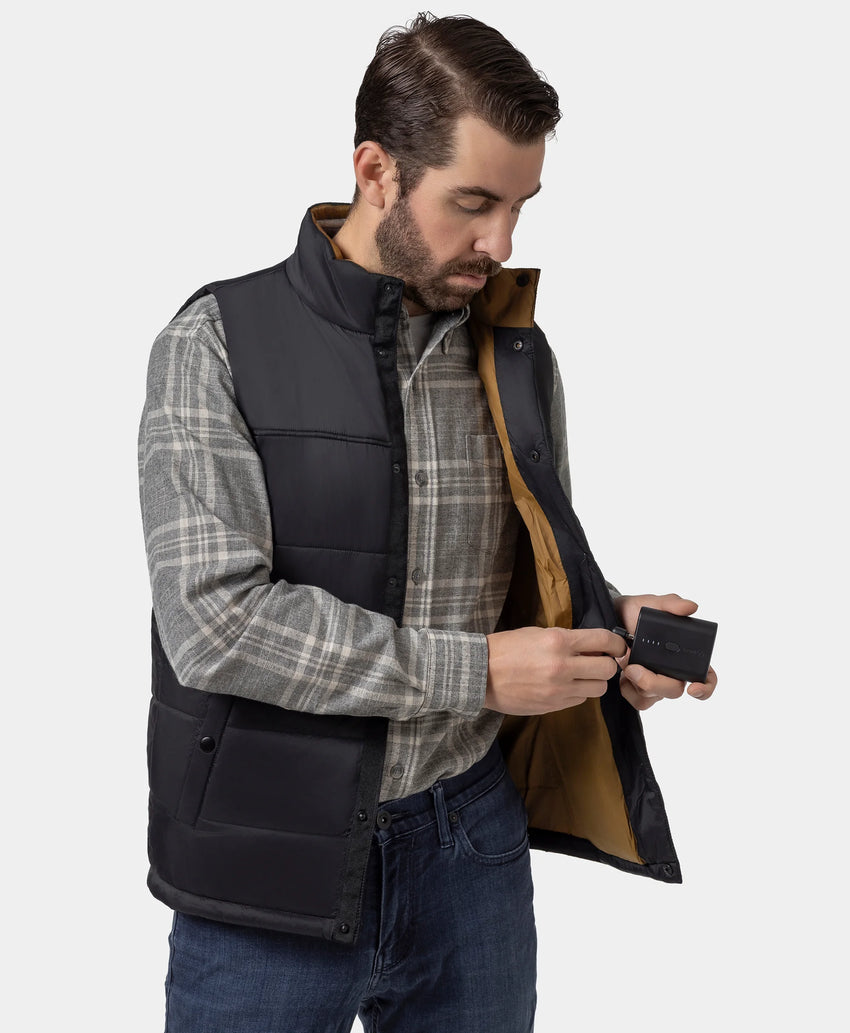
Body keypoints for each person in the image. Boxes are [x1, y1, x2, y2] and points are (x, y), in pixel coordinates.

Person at [138, 12, 717, 1033]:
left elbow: (516, 572)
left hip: (470, 849)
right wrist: (481, 672)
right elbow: (215, 623)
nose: (501, 244)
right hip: (267, 867)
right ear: (376, 171)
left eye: (521, 206)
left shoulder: (515, 354)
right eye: (473, 203)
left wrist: (602, 629)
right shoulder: (216, 342)